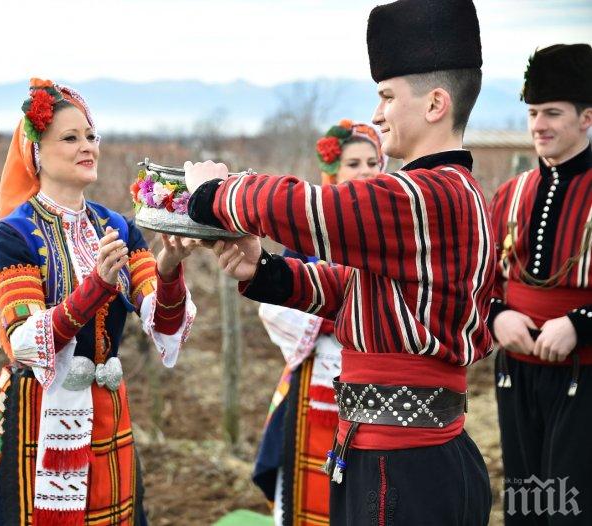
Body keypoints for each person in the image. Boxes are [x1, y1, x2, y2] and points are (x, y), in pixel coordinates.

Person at [185, 0, 495, 523]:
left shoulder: (424, 194)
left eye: (387, 96)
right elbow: (357, 289)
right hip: (404, 455)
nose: (377, 114)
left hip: (400, 467)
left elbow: (311, 210)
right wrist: (265, 270)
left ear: (436, 103)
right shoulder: (449, 191)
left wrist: (214, 191)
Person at [0, 78, 197, 526]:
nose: (86, 146)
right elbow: (25, 339)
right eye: (70, 138)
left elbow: (161, 321)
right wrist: (94, 287)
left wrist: (168, 268)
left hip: (108, 407)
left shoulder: (118, 226)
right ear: (37, 152)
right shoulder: (13, 235)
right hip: (38, 408)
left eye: (90, 136)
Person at [253, 120, 385, 526]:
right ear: (334, 171)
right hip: (319, 379)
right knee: (309, 492)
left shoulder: (393, 234)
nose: (364, 171)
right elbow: (272, 303)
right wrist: (328, 321)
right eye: (353, 163)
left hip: (379, 382)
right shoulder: (312, 233)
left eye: (373, 162)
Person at [489, 43, 592, 524]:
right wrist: (497, 315)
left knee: (573, 509)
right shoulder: (510, 194)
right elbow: (478, 281)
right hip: (516, 376)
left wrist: (580, 323)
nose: (539, 125)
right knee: (527, 506)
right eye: (532, 112)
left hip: (584, 377)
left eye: (552, 112)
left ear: (587, 118)